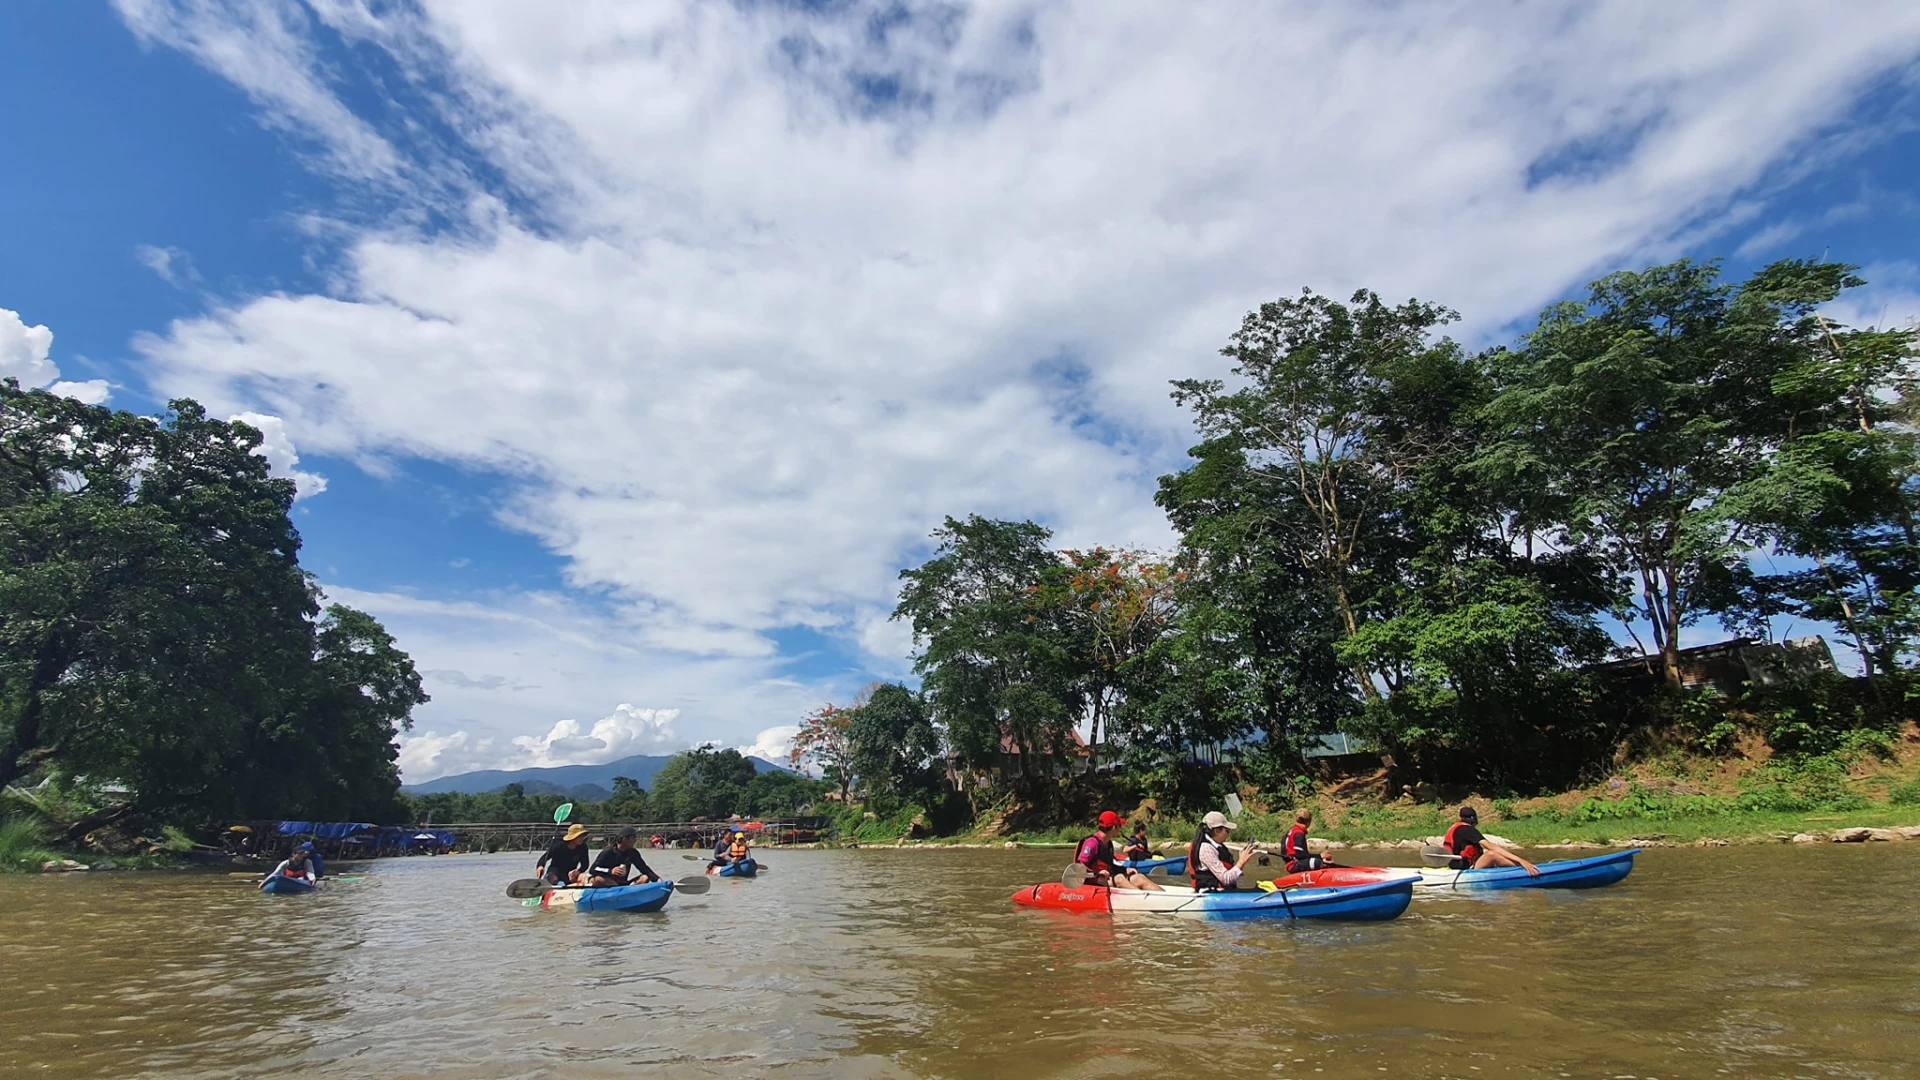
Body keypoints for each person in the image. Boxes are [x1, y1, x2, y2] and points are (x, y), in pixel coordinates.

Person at [1075, 811, 1162, 891]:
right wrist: (1097, 874)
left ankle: (1165, 898)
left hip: (1106, 879)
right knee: (1119, 878)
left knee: (1139, 877)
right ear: (1114, 827)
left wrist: (1126, 870)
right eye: (1119, 826)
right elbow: (1080, 866)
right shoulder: (1092, 843)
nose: (1120, 829)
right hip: (1094, 881)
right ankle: (1143, 899)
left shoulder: (1108, 844)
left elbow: (1111, 865)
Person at [1443, 806, 1539, 875]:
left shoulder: (1457, 828)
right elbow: (1491, 847)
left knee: (1495, 852)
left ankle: (1521, 866)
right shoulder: (1468, 830)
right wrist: (1521, 860)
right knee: (1491, 855)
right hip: (1467, 869)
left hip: (1459, 865)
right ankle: (1524, 868)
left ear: (1460, 818)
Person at [1188, 811, 1260, 891]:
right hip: (1212, 893)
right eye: (1227, 831)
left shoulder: (1217, 845)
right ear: (1217, 831)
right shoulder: (1206, 849)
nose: (1228, 834)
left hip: (1222, 891)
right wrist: (1241, 862)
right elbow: (1226, 879)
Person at [590, 828, 661, 887]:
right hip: (609, 882)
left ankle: (628, 891)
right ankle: (619, 891)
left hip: (623, 883)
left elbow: (644, 869)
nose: (635, 840)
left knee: (645, 877)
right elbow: (593, 869)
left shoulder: (633, 853)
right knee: (598, 879)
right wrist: (611, 871)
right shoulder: (608, 851)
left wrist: (658, 880)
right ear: (624, 839)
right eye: (633, 838)